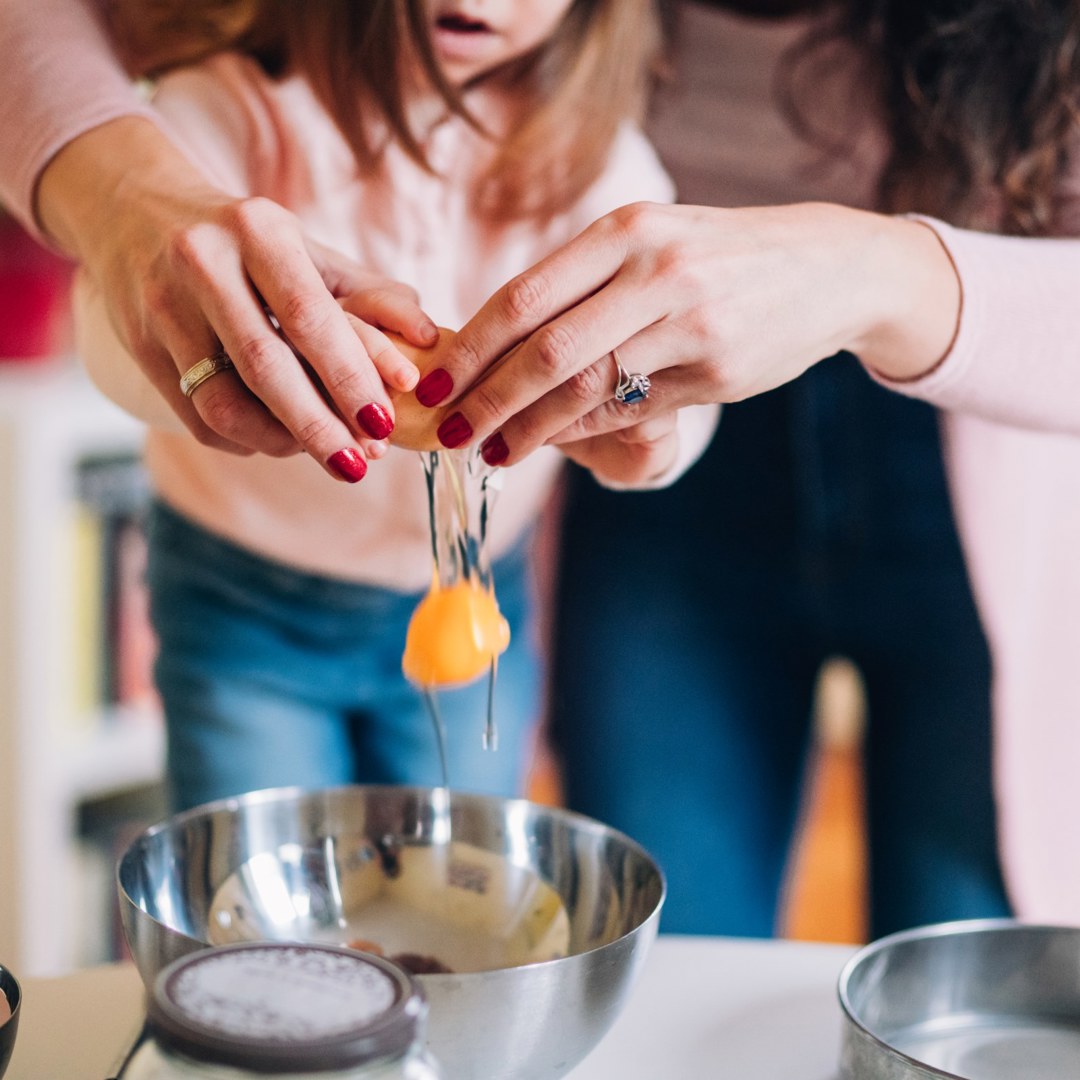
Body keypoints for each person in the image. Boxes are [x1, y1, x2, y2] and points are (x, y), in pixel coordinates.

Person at [429, 0, 1080, 931]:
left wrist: (880, 274)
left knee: (954, 1013)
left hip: (996, 472)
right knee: (661, 960)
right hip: (661, 467)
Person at [12, 0, 720, 813]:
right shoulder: (228, 110)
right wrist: (231, 368)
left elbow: (675, 358)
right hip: (241, 611)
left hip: (475, 602)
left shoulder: (600, 161)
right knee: (261, 890)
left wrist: (655, 436)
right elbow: (112, 320)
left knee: (462, 876)